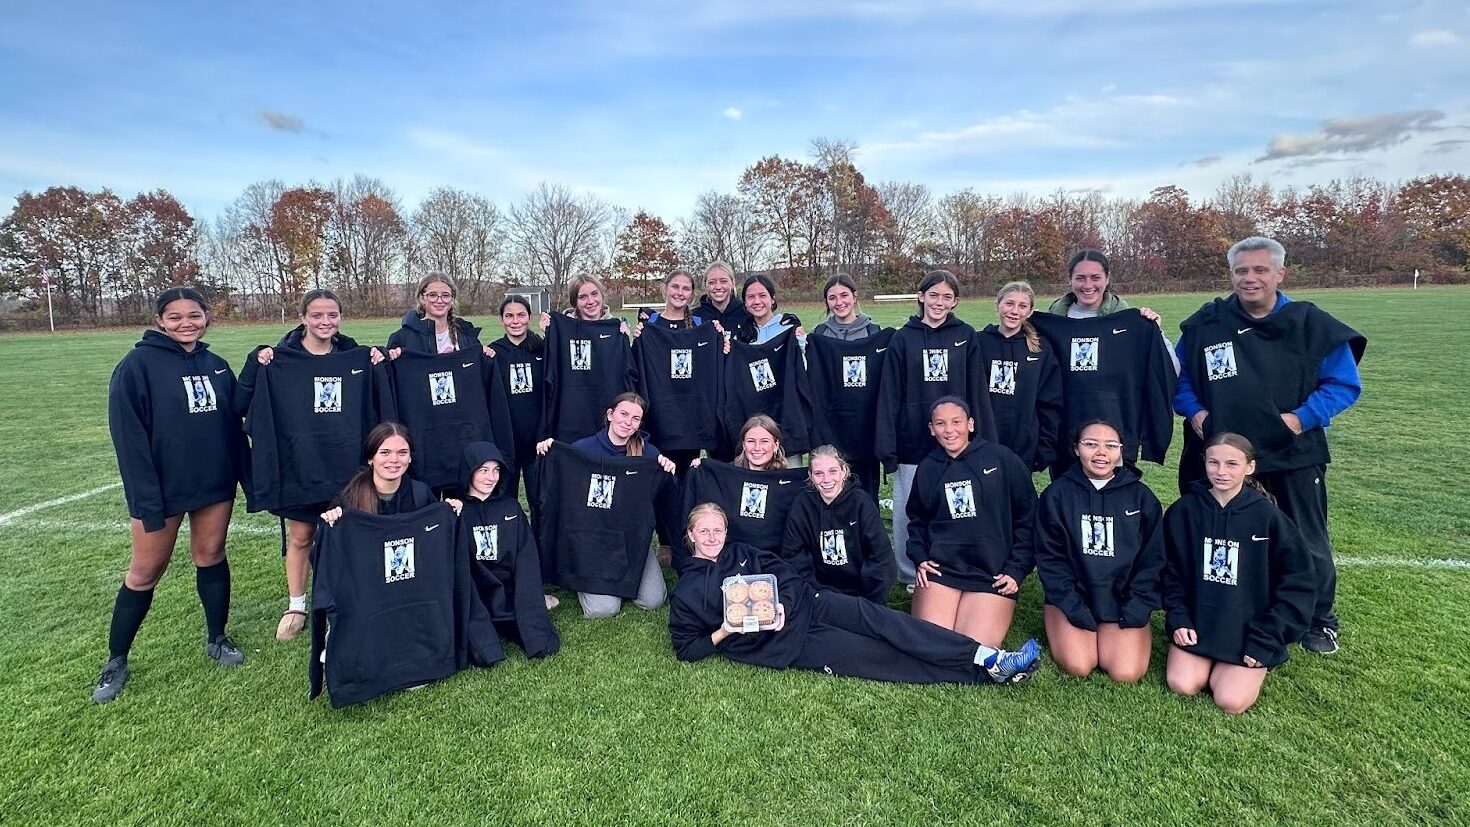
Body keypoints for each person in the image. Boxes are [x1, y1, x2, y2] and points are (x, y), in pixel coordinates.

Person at [1174, 237, 1366, 656]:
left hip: (1289, 452)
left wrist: (1299, 420)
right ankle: (1199, 608)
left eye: (1261, 269)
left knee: (1304, 537)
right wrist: (1195, 413)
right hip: (1217, 454)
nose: (1250, 278)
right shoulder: (1206, 323)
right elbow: (1179, 377)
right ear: (1231, 275)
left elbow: (1344, 384)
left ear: (1281, 273)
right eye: (1241, 270)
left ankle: (1319, 619)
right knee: (1206, 532)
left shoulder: (1310, 323)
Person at [668, 504, 1042, 685]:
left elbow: (783, 573)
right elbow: (686, 648)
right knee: (878, 656)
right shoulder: (687, 592)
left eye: (718, 529)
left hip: (809, 604)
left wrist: (781, 601)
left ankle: (987, 655)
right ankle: (986, 676)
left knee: (885, 621)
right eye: (705, 531)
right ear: (691, 535)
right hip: (789, 643)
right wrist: (726, 630)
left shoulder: (743, 551)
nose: (713, 537)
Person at [94, 287, 247, 703]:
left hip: (214, 484)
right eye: (176, 317)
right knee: (145, 571)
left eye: (194, 315)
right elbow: (129, 438)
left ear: (206, 317)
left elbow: (235, 425)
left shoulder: (216, 365)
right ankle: (116, 660)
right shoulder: (136, 365)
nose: (186, 323)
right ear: (161, 320)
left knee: (211, 555)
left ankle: (217, 637)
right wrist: (146, 499)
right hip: (161, 490)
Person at [233, 288, 386, 642]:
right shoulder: (279, 359)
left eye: (332, 315)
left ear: (341, 318)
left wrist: (378, 360)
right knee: (302, 535)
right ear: (302, 317)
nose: (325, 322)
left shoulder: (354, 356)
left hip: (346, 466)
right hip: (301, 464)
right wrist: (256, 363)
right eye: (317, 315)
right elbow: (242, 404)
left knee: (352, 532)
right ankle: (297, 604)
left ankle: (351, 597)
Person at [1162, 433, 1315, 714]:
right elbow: (1169, 572)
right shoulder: (1183, 511)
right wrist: (1179, 617)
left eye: (1232, 464)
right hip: (1200, 625)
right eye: (1214, 462)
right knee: (1182, 684)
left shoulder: (1269, 518)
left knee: (1230, 701)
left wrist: (1267, 638)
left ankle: (1249, 663)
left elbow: (1298, 584)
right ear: (1204, 464)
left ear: (1250, 467)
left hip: (1250, 631)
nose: (1221, 472)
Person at [876, 269, 995, 587]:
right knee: (907, 511)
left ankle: (955, 565)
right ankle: (907, 570)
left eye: (946, 296)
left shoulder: (966, 335)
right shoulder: (903, 338)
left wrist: (982, 440)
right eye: (933, 295)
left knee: (958, 506)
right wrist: (887, 446)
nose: (939, 302)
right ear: (921, 296)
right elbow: (890, 393)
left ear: (955, 301)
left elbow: (977, 390)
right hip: (912, 441)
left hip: (957, 442)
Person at [1034, 421, 1164, 683]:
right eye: (1091, 444)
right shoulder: (1056, 495)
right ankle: (1068, 623)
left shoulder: (1142, 498)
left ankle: (1114, 632)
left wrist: (1136, 607)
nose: (1101, 453)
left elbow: (1153, 561)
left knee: (1125, 673)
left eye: (1110, 446)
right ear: (1076, 449)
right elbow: (1050, 560)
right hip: (1074, 598)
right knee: (1079, 665)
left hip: (1121, 600)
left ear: (1121, 451)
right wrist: (1073, 607)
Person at [906, 398, 1036, 649]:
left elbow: (1028, 518)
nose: (950, 430)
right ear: (932, 428)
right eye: (941, 424)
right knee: (931, 646)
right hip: (943, 570)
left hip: (992, 573)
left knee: (973, 648)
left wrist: (1016, 570)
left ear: (971, 424)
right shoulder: (928, 467)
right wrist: (920, 556)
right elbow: (917, 520)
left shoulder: (1002, 459)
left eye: (957, 422)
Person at [536, 392, 675, 618]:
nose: (627, 422)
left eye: (635, 418)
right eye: (623, 414)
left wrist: (665, 469)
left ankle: (624, 578)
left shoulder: (648, 454)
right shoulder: (582, 449)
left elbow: (662, 498)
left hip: (629, 540)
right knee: (603, 610)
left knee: (653, 600)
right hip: (591, 542)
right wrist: (551, 452)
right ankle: (594, 582)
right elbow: (561, 486)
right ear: (610, 415)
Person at [457, 442, 561, 653]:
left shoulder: (510, 507)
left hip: (509, 592)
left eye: (496, 470)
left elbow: (526, 556)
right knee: (479, 650)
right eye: (483, 470)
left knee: (538, 641)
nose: (491, 477)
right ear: (469, 471)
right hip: (475, 594)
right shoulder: (457, 512)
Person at [780, 446, 896, 603]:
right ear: (811, 476)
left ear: (844, 471)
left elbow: (881, 558)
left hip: (862, 594)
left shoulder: (861, 502)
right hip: (818, 593)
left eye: (833, 471)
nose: (827, 480)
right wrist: (815, 593)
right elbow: (793, 555)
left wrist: (869, 598)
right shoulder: (802, 505)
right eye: (818, 474)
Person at [975, 281, 1063, 473]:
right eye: (1009, 303)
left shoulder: (1041, 349)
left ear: (1030, 312)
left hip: (1023, 447)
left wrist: (1045, 448)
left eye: (1022, 306)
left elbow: (1050, 402)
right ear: (997, 304)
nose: (1015, 311)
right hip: (981, 442)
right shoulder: (978, 342)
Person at [1047, 250, 1177, 372]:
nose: (1088, 285)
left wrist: (1155, 332)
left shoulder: (1128, 322)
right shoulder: (1051, 322)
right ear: (1070, 279)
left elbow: (1171, 369)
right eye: (1080, 278)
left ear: (1107, 278)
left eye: (1095, 278)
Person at [321, 422, 462, 525]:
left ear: (410, 457)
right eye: (385, 453)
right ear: (371, 458)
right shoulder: (349, 498)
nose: (394, 460)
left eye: (402, 453)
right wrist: (331, 520)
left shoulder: (421, 494)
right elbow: (328, 550)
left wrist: (450, 512)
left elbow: (438, 538)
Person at [487, 295, 545, 501]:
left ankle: (538, 535)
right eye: (509, 316)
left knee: (540, 502)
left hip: (537, 442)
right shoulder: (492, 353)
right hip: (505, 442)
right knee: (505, 500)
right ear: (501, 319)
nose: (515, 321)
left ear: (529, 317)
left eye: (521, 315)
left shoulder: (543, 349)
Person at [386, 272, 491, 358]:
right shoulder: (402, 339)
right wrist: (383, 354)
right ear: (422, 298)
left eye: (445, 295)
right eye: (433, 295)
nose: (439, 301)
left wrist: (486, 354)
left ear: (452, 300)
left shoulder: (467, 336)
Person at [733, 274, 802, 344]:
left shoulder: (788, 327)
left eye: (762, 295)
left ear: (772, 299)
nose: (757, 301)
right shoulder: (741, 335)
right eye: (751, 297)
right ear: (745, 302)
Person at [694, 260, 753, 332]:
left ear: (733, 283)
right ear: (706, 285)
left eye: (723, 281)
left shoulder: (747, 313)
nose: (718, 287)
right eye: (712, 282)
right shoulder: (695, 316)